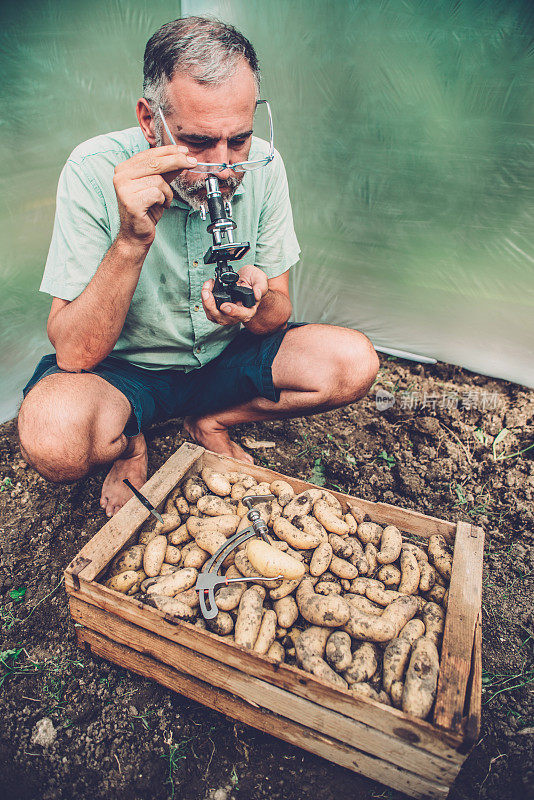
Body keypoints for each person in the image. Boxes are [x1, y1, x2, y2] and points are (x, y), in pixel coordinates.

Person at [18, 16, 379, 517]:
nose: (225, 167)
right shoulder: (92, 170)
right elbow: (75, 354)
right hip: (126, 373)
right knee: (54, 438)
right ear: (150, 121)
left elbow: (277, 315)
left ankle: (209, 420)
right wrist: (131, 240)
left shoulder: (264, 167)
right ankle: (131, 439)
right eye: (199, 143)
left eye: (239, 139)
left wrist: (255, 305)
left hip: (221, 361)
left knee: (353, 362)